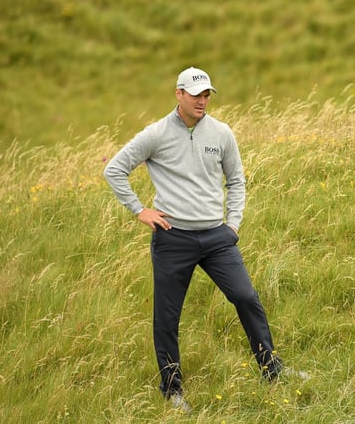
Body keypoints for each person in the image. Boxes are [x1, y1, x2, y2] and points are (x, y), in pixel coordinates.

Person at [103, 66, 283, 411]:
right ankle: (172, 390)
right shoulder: (155, 134)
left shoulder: (222, 133)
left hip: (217, 237)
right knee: (167, 317)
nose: (202, 101)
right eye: (195, 94)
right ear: (179, 94)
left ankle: (271, 369)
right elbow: (114, 169)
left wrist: (232, 224)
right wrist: (140, 210)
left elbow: (237, 181)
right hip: (173, 238)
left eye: (206, 95)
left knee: (246, 297)